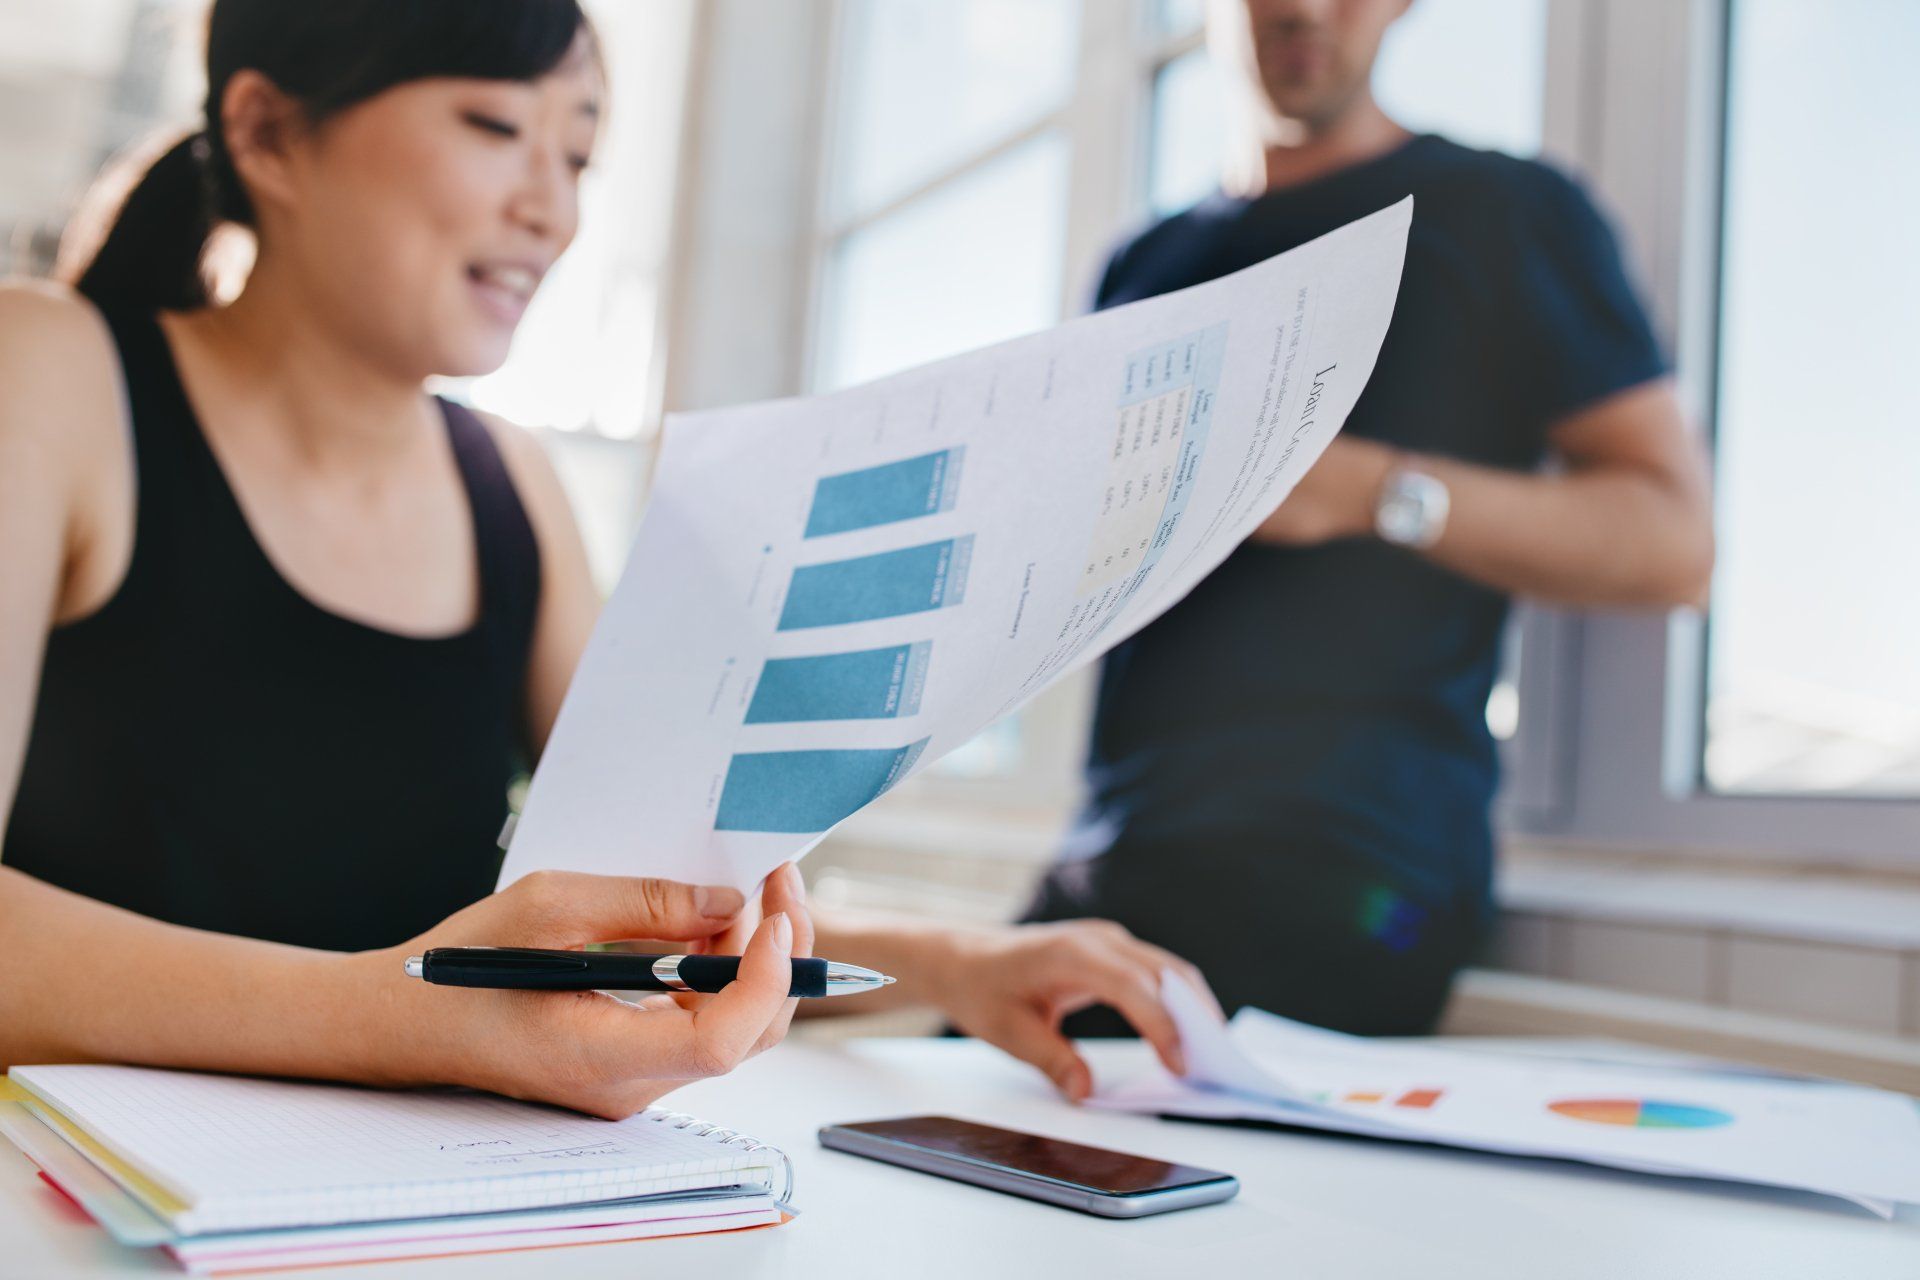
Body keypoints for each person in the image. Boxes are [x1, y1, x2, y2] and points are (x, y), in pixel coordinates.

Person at [0, 0, 1205, 1116]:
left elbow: (672, 889)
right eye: (494, 126)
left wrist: (954, 963)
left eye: (576, 157)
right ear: (267, 132)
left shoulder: (512, 487)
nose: (554, 210)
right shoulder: (49, 371)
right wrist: (415, 1017)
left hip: (422, 1197)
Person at [1018, 0, 1715, 1037]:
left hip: (1347, 870)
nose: (1303, 6)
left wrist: (1372, 492)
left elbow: (1674, 543)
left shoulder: (1505, 211)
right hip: (1113, 855)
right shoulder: (1139, 266)